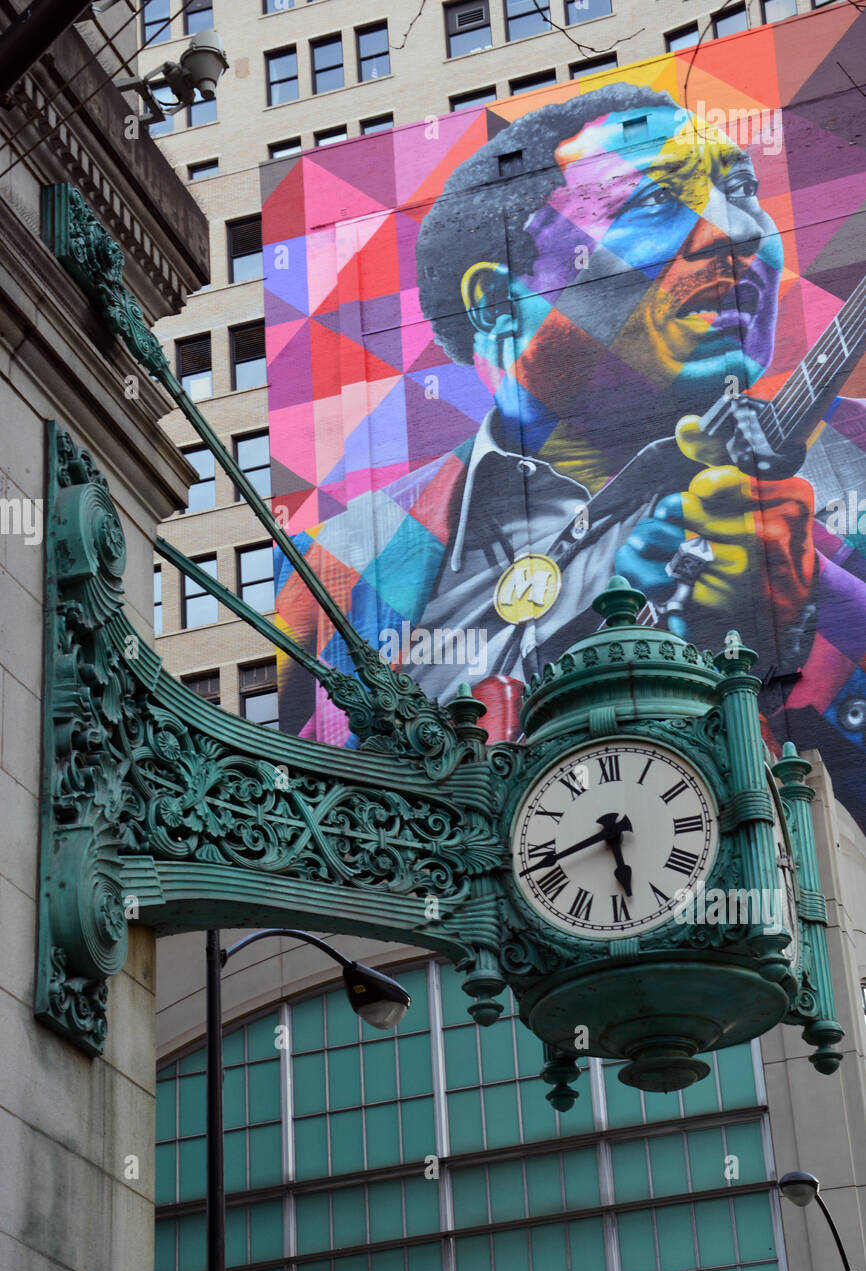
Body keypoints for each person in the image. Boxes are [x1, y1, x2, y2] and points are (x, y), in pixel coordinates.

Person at [276, 83, 866, 823]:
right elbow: (321, 819)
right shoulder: (335, 561)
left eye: (741, 187)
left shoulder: (857, 456)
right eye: (653, 202)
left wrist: (815, 602)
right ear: (494, 303)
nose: (736, 229)